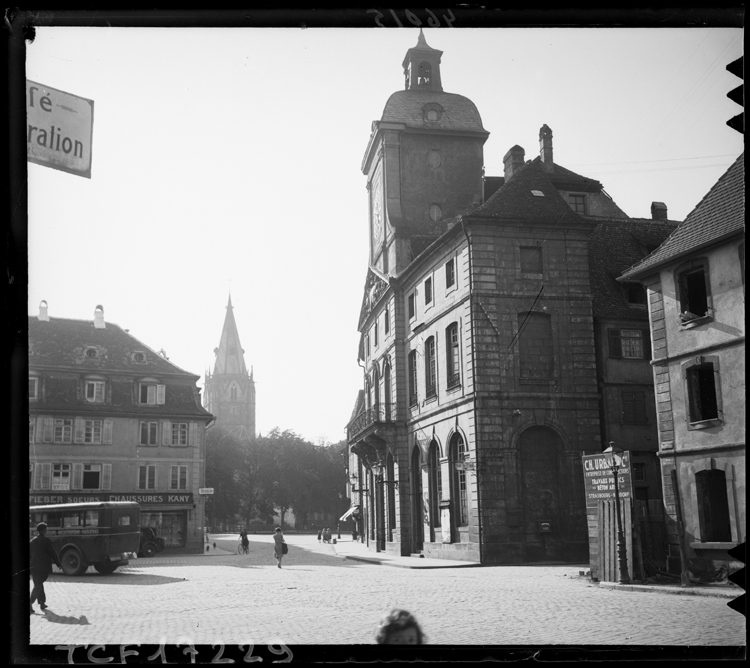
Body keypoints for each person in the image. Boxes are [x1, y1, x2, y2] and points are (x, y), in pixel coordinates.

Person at [29, 522, 62, 614]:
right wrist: (59, 564)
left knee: (38, 584)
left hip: (33, 566)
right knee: (38, 586)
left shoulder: (32, 541)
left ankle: (42, 602)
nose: (47, 531)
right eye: (46, 529)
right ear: (44, 530)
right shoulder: (47, 540)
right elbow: (53, 553)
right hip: (42, 567)